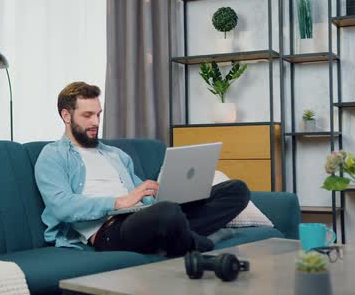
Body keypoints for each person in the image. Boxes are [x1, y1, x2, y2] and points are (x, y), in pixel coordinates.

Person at [35, 81, 250, 257]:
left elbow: (142, 196)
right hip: (109, 230)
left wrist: (164, 192)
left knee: (237, 190)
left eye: (98, 114)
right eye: (87, 115)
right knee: (167, 214)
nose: (96, 122)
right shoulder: (52, 155)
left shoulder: (115, 155)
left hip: (142, 216)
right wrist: (117, 202)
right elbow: (61, 205)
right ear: (66, 116)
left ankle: (178, 235)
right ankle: (200, 241)